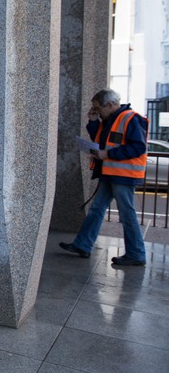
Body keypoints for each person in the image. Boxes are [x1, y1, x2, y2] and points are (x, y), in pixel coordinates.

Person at [59, 88, 148, 266]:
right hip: (110, 173)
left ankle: (136, 253)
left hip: (123, 175)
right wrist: (92, 122)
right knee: (97, 209)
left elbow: (138, 147)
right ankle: (83, 244)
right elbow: (100, 139)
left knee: (126, 214)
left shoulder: (131, 118)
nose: (97, 112)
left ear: (110, 104)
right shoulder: (110, 119)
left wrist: (108, 155)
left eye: (98, 108)